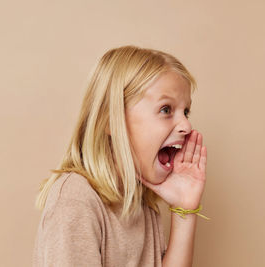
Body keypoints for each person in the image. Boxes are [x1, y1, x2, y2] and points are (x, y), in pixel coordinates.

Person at [32, 45, 209, 267]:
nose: (186, 125)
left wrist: (185, 209)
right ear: (110, 121)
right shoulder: (75, 201)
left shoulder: (139, 202)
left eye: (186, 112)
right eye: (166, 109)